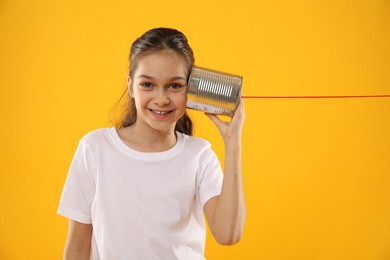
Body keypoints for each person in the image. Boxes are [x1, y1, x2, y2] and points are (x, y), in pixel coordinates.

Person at [57, 27, 246, 260]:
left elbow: (228, 234)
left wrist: (233, 143)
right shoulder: (95, 149)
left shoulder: (200, 155)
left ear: (191, 89)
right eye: (147, 84)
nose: (161, 99)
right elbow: (77, 248)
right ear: (130, 85)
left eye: (175, 85)